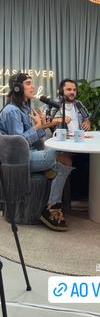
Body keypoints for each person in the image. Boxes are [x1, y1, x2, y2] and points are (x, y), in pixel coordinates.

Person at [0, 72, 73, 232]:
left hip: (29, 153)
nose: (33, 86)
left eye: (32, 83)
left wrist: (42, 126)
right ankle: (51, 207)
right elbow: (18, 145)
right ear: (17, 88)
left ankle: (52, 204)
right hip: (19, 160)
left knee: (64, 158)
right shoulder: (11, 111)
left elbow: (32, 137)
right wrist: (37, 127)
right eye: (28, 83)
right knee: (61, 158)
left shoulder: (25, 107)